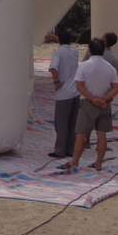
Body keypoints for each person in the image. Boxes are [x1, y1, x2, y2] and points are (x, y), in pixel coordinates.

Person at [61, 38, 118, 171]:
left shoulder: (83, 66)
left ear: (90, 50)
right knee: (102, 134)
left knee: (81, 134)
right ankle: (98, 163)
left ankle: (75, 162)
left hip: (88, 102)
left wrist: (93, 99)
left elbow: (79, 86)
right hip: (105, 104)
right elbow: (116, 88)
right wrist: (104, 99)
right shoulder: (109, 67)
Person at [47, 28, 80, 158]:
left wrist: (56, 82)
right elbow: (65, 43)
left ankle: (59, 150)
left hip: (64, 92)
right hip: (75, 91)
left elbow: (54, 68)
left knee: (61, 123)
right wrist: (56, 38)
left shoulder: (58, 52)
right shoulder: (75, 51)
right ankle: (70, 149)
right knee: (72, 123)